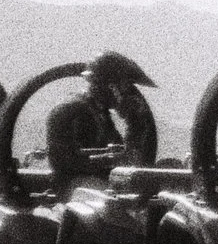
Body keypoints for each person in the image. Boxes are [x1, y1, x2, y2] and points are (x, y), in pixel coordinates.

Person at [46, 51, 156, 193]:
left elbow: (128, 155)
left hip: (95, 186)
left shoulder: (99, 112)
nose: (127, 92)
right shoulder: (71, 109)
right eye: (124, 86)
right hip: (76, 190)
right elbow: (63, 162)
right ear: (110, 86)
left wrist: (135, 123)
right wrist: (111, 159)